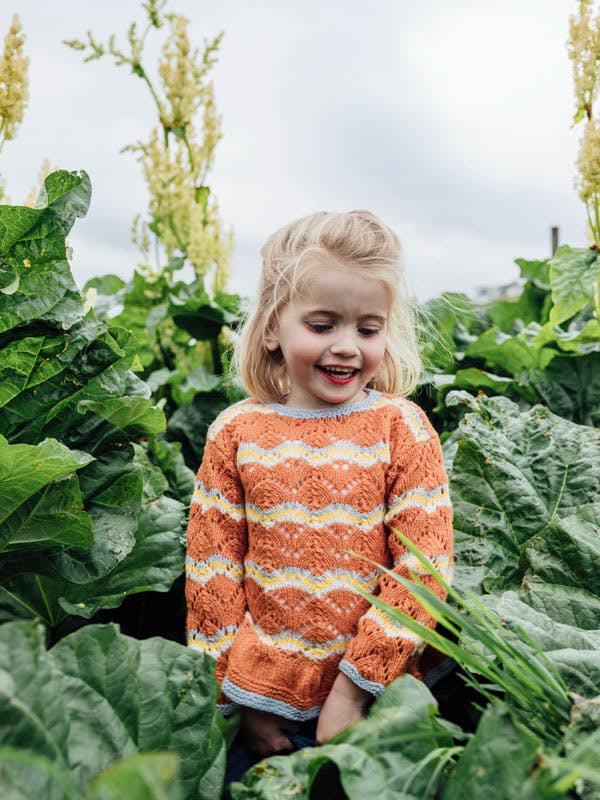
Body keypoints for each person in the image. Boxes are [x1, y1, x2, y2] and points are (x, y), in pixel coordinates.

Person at [185, 210, 453, 785]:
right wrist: (238, 701)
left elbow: (423, 570)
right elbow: (213, 577)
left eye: (367, 328)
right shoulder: (235, 433)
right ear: (272, 329)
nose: (346, 347)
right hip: (262, 709)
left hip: (376, 702)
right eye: (323, 324)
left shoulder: (402, 428)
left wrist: (355, 693)